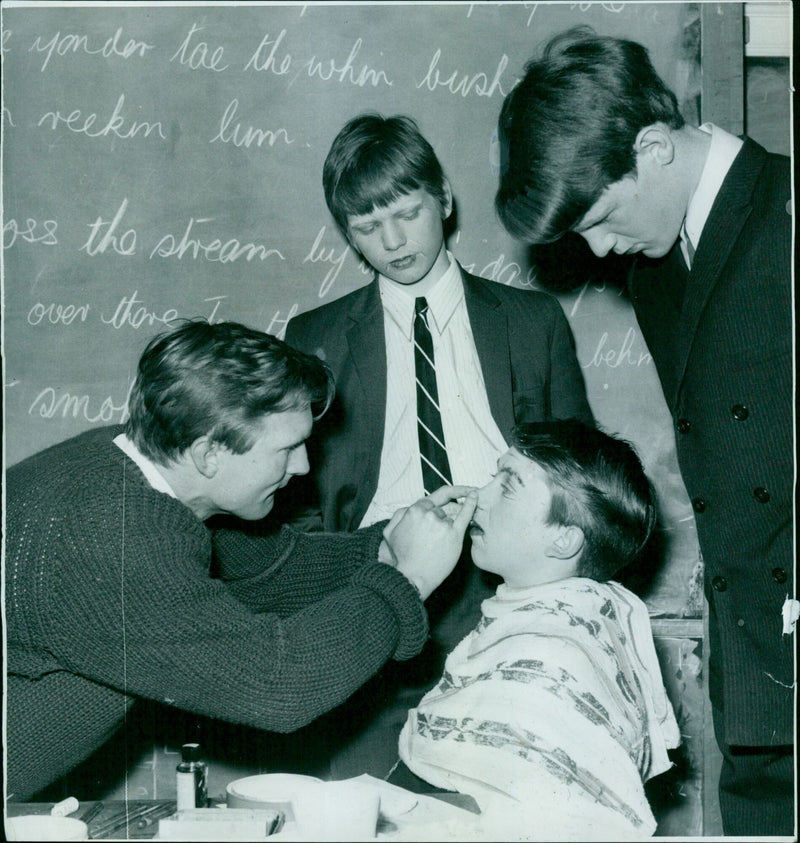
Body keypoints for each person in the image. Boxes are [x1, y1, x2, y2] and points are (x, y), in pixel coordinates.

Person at [494, 28, 794, 836]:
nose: (595, 250)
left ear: (654, 149)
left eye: (598, 216)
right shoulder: (657, 270)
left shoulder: (789, 216)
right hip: (757, 672)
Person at [3, 319, 477, 801]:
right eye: (287, 448)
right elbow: (278, 686)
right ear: (209, 453)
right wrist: (407, 578)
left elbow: (269, 571)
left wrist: (386, 545)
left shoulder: (136, 468)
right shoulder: (110, 536)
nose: (303, 466)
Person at [282, 113, 593, 778]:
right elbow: (296, 504)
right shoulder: (314, 336)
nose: (391, 241)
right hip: (378, 581)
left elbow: (583, 482)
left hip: (508, 583)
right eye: (366, 227)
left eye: (406, 212)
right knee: (367, 796)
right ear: (346, 233)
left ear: (444, 198)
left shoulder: (533, 321)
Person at [394, 421, 681, 840]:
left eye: (507, 486)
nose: (477, 496)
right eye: (494, 476)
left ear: (564, 541)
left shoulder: (551, 658)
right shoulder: (556, 618)